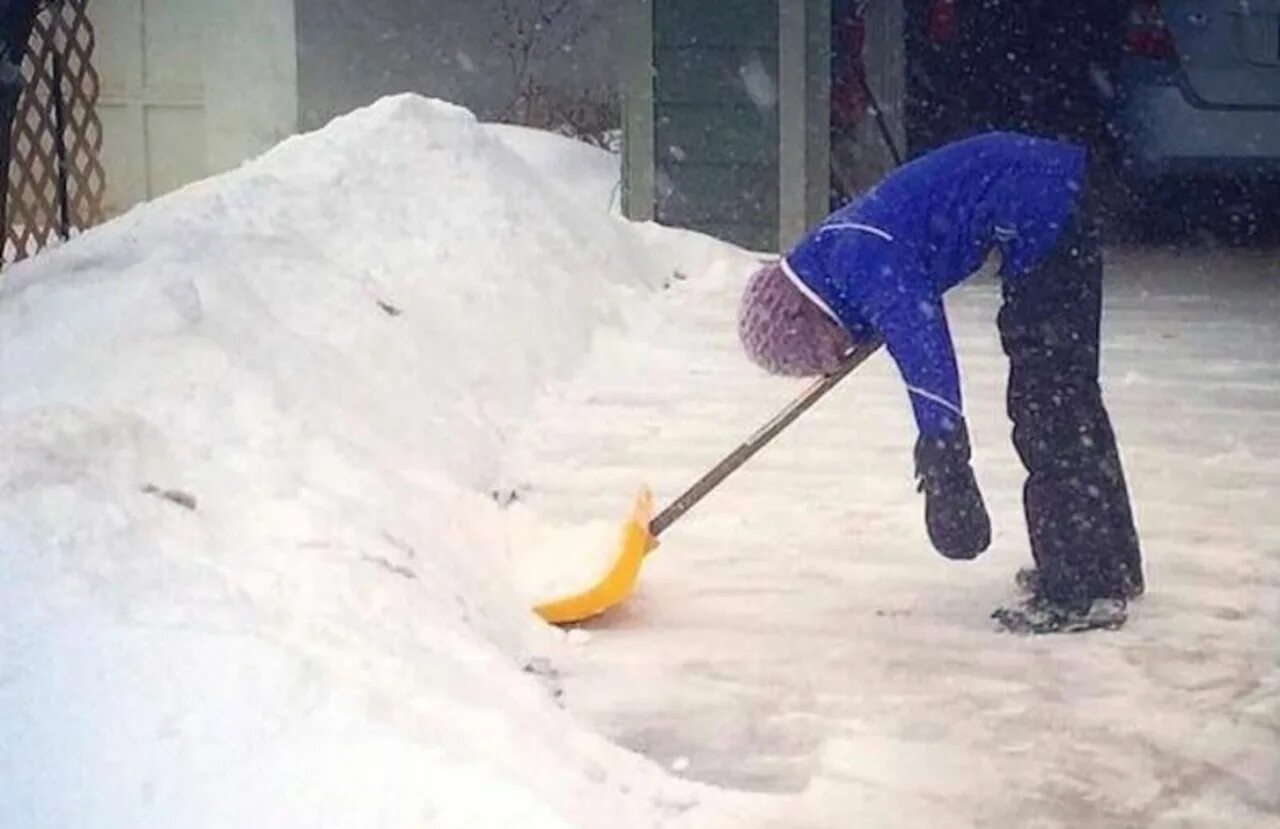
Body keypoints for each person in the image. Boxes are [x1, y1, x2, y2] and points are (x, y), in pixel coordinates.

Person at [737, 130, 1144, 634]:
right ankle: (1110, 565)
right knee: (1068, 396)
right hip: (1051, 195)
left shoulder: (857, 258)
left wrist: (944, 455)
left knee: (1049, 405)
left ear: (808, 318)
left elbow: (924, 346)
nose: (837, 357)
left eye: (822, 353)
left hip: (1045, 205)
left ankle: (1081, 589)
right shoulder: (835, 256)